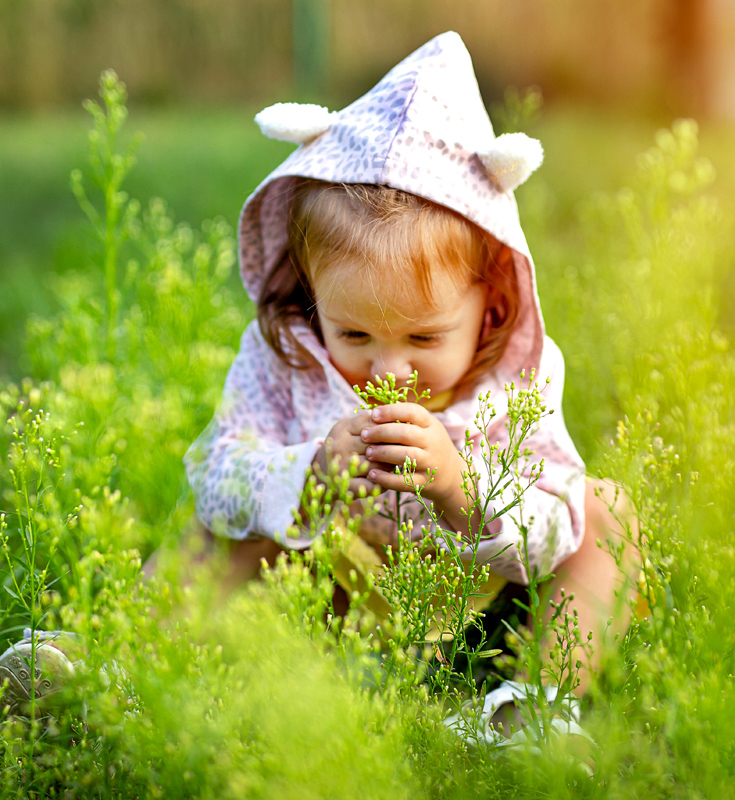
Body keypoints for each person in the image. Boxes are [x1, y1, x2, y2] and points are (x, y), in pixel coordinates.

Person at [182, 31, 632, 700]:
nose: (388, 367)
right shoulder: (285, 358)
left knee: (605, 513)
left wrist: (462, 492)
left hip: (484, 612)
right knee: (213, 529)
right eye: (353, 331)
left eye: (425, 338)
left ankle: (535, 705)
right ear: (311, 294)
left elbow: (551, 528)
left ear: (493, 299)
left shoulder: (515, 379)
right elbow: (215, 475)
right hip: (327, 608)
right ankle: (118, 658)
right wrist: (305, 475)